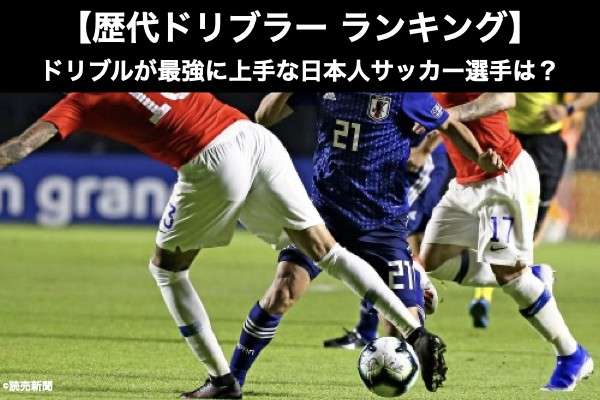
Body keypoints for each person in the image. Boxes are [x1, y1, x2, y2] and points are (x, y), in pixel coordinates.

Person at [0, 92, 468, 399]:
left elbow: (20, 147)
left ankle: (222, 381)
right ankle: (415, 332)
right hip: (253, 138)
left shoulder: (80, 99)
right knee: (320, 254)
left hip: (213, 158)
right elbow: (262, 114)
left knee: (166, 268)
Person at [228, 92, 506, 392]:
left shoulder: (404, 94)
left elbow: (448, 124)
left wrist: (479, 157)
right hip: (324, 216)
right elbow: (264, 117)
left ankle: (413, 285)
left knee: (402, 327)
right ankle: (231, 380)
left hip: (382, 223)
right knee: (282, 291)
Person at [419, 92, 593, 391]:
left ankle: (571, 355)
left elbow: (504, 98)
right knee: (433, 262)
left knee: (508, 273)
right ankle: (532, 278)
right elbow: (437, 115)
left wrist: (451, 115)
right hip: (465, 182)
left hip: (502, 176)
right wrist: (425, 146)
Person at [469, 92, 599, 328]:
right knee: (499, 215)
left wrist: (567, 109)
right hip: (508, 138)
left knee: (534, 222)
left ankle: (527, 273)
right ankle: (484, 296)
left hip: (546, 142)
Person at [323, 131, 451, 348]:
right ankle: (376, 325)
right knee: (377, 242)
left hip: (419, 163)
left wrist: (425, 149)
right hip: (392, 159)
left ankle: (415, 294)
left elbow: (445, 116)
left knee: (390, 238)